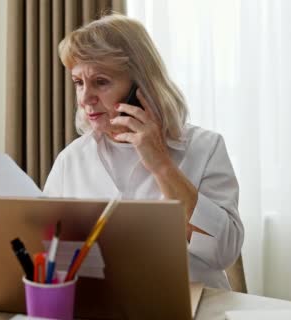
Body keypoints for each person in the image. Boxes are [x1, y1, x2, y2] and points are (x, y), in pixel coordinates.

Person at [43, 13, 244, 290]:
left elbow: (224, 252)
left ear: (141, 86)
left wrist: (162, 166)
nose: (85, 97)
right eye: (79, 82)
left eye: (101, 82)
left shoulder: (204, 148)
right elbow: (47, 253)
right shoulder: (72, 160)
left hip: (191, 308)